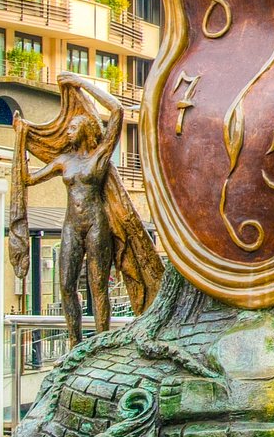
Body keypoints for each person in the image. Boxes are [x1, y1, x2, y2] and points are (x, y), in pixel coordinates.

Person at [11, 74, 162, 344]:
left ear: (84, 129)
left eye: (72, 128)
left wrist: (81, 84)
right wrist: (21, 139)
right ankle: (74, 342)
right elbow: (28, 179)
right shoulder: (63, 161)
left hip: (96, 224)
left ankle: (101, 341)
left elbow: (117, 110)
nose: (68, 131)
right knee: (66, 285)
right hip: (71, 225)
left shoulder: (99, 157)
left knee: (97, 286)